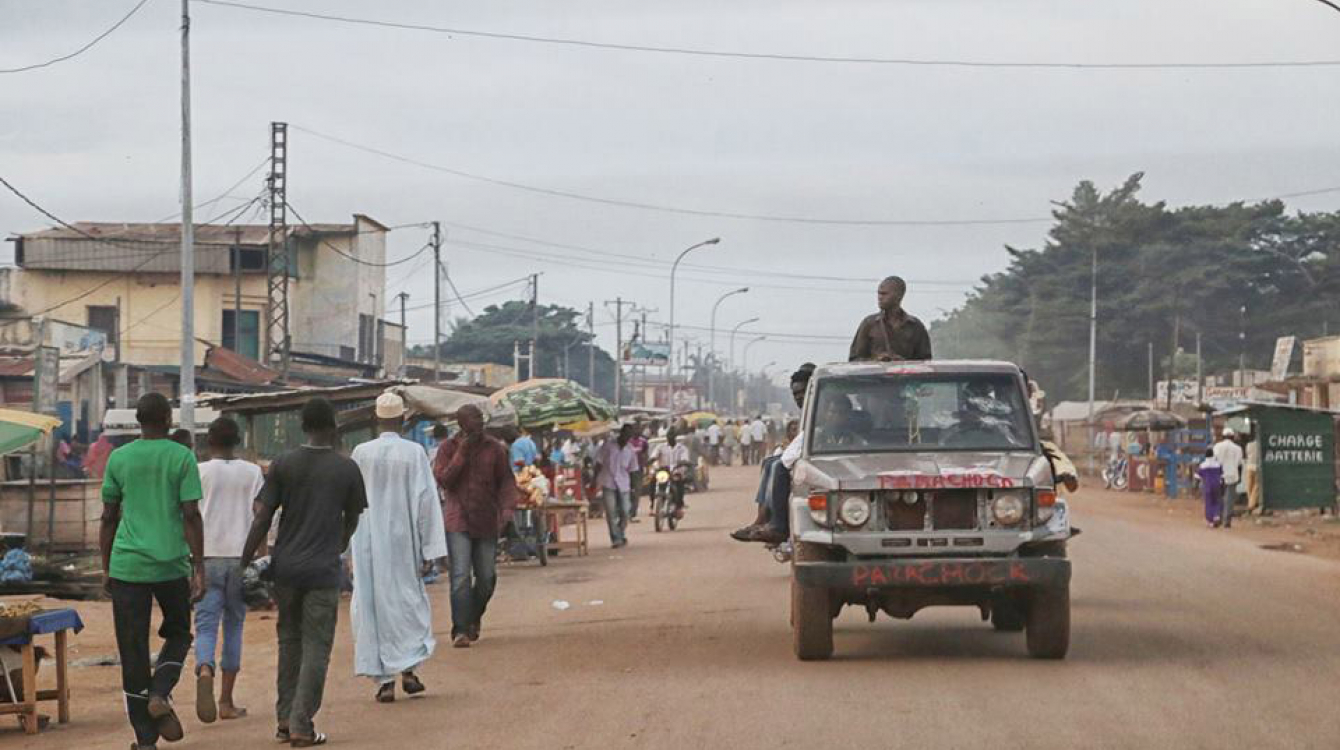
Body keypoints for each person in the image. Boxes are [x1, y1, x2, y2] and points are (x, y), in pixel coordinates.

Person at [241, 398, 367, 747]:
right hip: (322, 570)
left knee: (289, 642)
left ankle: (284, 719)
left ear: (303, 426)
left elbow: (263, 516)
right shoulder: (346, 469)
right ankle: (301, 724)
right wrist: (337, 544)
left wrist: (244, 560)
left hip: (286, 570)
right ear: (332, 427)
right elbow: (353, 518)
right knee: (316, 646)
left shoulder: (283, 464)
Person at [99, 392, 206, 749]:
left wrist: (106, 569)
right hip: (171, 565)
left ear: (139, 421)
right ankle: (161, 691)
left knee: (132, 651)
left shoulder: (119, 458)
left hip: (127, 566)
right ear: (167, 417)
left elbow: (108, 517)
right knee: (179, 633)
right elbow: (191, 514)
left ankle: (145, 740)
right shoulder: (182, 457)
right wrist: (199, 567)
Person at [348, 393, 447, 703]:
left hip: (366, 542)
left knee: (372, 605)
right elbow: (426, 502)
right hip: (404, 543)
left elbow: (349, 502)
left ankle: (385, 680)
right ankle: (408, 670)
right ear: (403, 419)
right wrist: (431, 550)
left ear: (377, 420)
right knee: (407, 604)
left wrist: (346, 547)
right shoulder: (414, 453)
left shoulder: (361, 453)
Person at [194, 417, 265, 724]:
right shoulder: (252, 473)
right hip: (242, 559)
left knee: (206, 625)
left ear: (209, 441)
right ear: (237, 442)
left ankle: (205, 668)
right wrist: (261, 559)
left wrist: (192, 561)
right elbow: (261, 517)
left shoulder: (198, 472)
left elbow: (189, 516)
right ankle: (225, 700)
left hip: (207, 558)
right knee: (234, 626)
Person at [434, 404, 518, 648]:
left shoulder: (495, 449)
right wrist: (462, 451)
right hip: (458, 519)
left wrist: (507, 511)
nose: (480, 423)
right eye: (474, 419)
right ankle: (460, 629)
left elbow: (506, 483)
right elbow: (445, 480)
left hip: (487, 519)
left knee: (487, 578)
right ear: (461, 423)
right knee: (460, 576)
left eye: (481, 418)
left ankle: (473, 617)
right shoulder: (447, 449)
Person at [733, 365, 815, 545]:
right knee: (770, 462)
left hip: (817, 458)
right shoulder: (807, 412)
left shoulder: (821, 409)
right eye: (795, 395)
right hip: (797, 452)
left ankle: (778, 525)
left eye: (802, 392)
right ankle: (762, 518)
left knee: (778, 466)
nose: (799, 398)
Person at [848, 275, 933, 362]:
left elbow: (926, 362)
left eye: (884, 294)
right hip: (875, 375)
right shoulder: (869, 324)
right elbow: (854, 360)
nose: (880, 297)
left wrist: (904, 363)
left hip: (905, 375)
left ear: (899, 296)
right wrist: (876, 361)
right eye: (879, 293)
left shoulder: (915, 326)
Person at [594, 424, 638, 548]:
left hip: (624, 484)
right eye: (626, 434)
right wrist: (594, 480)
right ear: (621, 433)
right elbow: (598, 463)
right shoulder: (608, 446)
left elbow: (633, 469)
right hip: (608, 482)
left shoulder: (630, 450)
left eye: (629, 436)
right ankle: (615, 538)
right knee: (611, 512)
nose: (627, 438)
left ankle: (620, 532)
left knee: (625, 511)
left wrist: (634, 488)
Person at [1213, 428, 1244, 526]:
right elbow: (1239, 463)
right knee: (1229, 499)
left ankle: (1218, 517)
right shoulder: (1238, 448)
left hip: (1219, 475)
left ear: (1223, 436)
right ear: (1233, 437)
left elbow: (1214, 459)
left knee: (1219, 497)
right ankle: (1227, 520)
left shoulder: (1217, 446)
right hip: (1232, 475)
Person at [1197, 448, 1225, 528]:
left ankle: (1210, 521)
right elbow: (1222, 475)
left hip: (1207, 486)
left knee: (1208, 503)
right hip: (1217, 485)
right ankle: (1217, 516)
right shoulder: (1218, 464)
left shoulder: (1202, 465)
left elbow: (1198, 476)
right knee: (1216, 501)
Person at [627, 424, 649, 520]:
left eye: (638, 429)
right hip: (627, 470)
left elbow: (645, 454)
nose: (637, 431)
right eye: (635, 429)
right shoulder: (628, 442)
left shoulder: (643, 442)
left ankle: (633, 513)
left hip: (638, 469)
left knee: (637, 492)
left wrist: (646, 465)